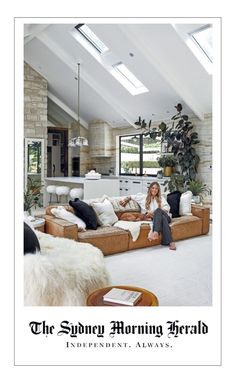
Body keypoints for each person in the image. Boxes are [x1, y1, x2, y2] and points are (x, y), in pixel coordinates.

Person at [120, 181, 176, 251]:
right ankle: (170, 241)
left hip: (166, 216)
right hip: (157, 219)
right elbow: (132, 196)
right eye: (153, 188)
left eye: (156, 189)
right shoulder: (143, 197)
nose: (154, 190)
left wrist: (155, 212)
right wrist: (125, 200)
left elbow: (167, 208)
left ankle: (155, 232)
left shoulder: (161, 198)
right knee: (162, 218)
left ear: (158, 190)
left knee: (158, 211)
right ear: (150, 189)